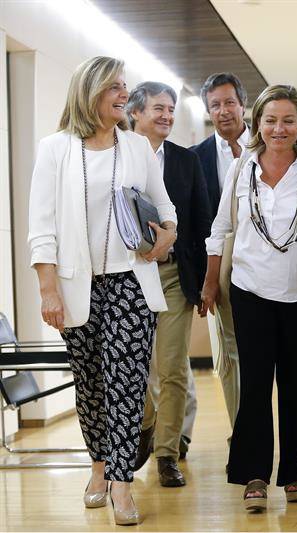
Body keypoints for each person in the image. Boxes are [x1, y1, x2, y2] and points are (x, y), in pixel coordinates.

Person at [28, 56, 177, 526]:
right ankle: (98, 466)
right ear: (90, 91)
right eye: (115, 86)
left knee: (127, 383)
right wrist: (48, 288)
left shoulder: (136, 147)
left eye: (124, 86)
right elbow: (42, 225)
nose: (123, 94)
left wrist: (166, 236)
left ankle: (121, 483)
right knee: (91, 384)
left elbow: (166, 209)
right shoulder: (55, 149)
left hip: (131, 282)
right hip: (76, 286)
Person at [201, 85, 297, 512]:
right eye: (270, 120)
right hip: (250, 293)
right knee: (255, 387)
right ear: (258, 124)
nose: (278, 128)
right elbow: (220, 232)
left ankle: (295, 467)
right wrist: (211, 283)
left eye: (287, 120)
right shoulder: (240, 171)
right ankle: (255, 474)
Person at [126, 81, 213, 486]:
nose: (166, 116)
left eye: (171, 109)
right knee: (135, 367)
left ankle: (167, 453)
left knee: (173, 366)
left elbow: (199, 222)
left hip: (175, 276)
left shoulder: (185, 160)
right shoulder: (116, 154)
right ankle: (146, 426)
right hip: (127, 277)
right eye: (158, 108)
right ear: (136, 113)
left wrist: (203, 282)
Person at [191, 72, 250, 436]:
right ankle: (241, 431)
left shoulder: (268, 147)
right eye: (215, 105)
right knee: (230, 354)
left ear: (243, 104)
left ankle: (261, 427)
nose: (224, 111)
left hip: (269, 262)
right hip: (221, 263)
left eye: (230, 102)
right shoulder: (194, 159)